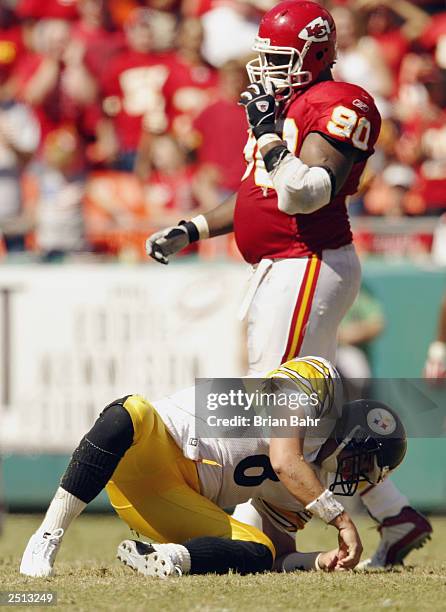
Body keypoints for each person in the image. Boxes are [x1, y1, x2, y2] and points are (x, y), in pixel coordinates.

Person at [144, 0, 432, 568]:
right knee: (300, 411)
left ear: (316, 55)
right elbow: (258, 195)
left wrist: (272, 136)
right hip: (286, 266)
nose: (267, 68)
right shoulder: (289, 104)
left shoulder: (340, 103)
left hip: (308, 261)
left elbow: (308, 191)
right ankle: (391, 515)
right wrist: (192, 227)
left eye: (280, 57)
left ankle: (311, 516)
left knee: (279, 408)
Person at [20, 355, 407, 578]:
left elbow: (278, 557)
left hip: (171, 501)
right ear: (354, 437)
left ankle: (169, 557)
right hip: (156, 446)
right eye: (362, 465)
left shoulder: (311, 484)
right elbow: (284, 459)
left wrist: (319, 560)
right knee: (130, 412)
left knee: (258, 549)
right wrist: (340, 520)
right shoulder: (320, 384)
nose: (354, 479)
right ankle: (47, 536)